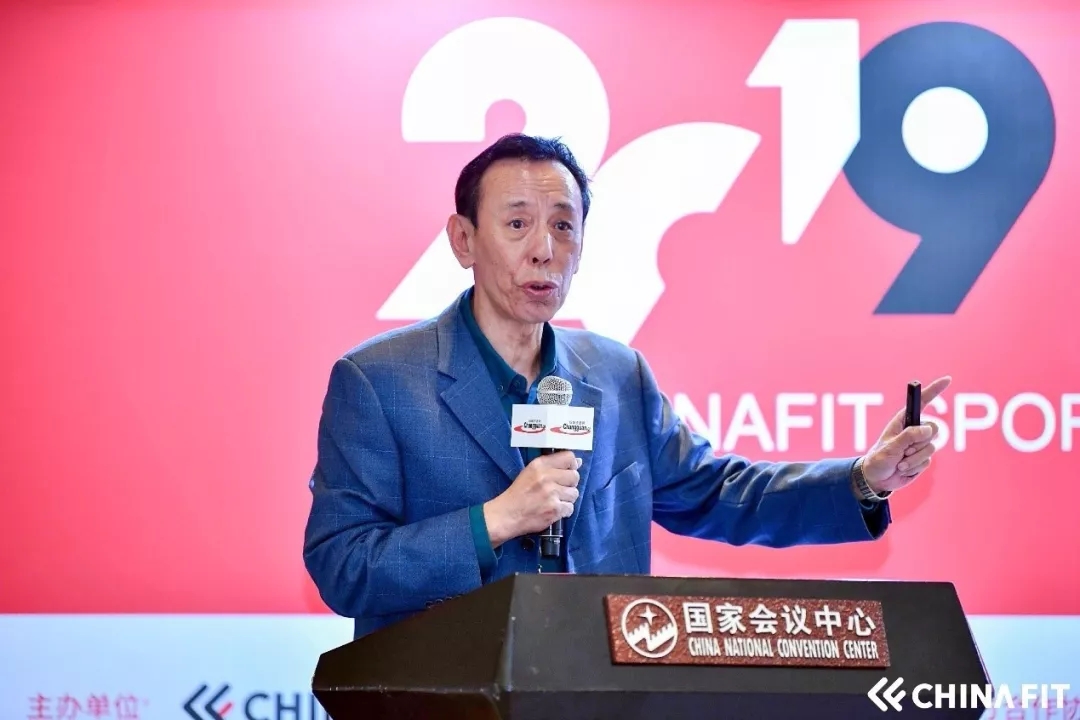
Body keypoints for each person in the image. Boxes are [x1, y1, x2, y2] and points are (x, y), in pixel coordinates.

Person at [303, 133, 950, 640]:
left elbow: (718, 493)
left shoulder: (617, 377)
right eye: (518, 224)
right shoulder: (380, 381)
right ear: (464, 240)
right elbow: (342, 564)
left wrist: (863, 481)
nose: (544, 249)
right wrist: (494, 522)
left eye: (563, 226)